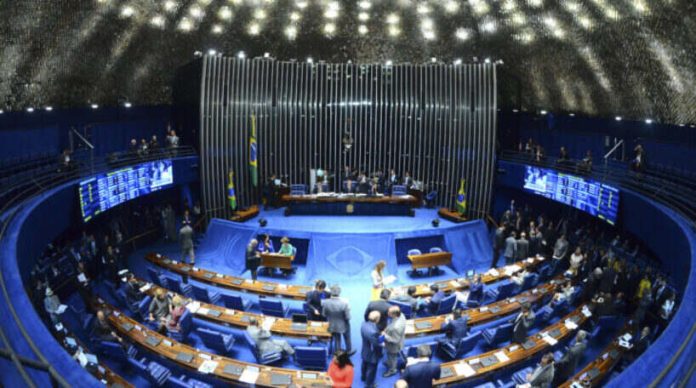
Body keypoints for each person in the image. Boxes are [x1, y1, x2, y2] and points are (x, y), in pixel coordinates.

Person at [322, 285, 354, 355]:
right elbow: (348, 317)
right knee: (347, 337)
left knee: (337, 340)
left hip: (332, 325)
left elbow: (324, 314)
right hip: (344, 325)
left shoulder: (325, 302)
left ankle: (338, 354)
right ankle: (349, 350)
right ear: (339, 292)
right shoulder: (345, 303)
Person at [360, 311, 383, 388]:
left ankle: (363, 377)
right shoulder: (374, 332)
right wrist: (382, 345)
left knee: (364, 364)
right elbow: (376, 345)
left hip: (365, 349)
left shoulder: (364, 324)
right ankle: (369, 384)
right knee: (372, 369)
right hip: (372, 353)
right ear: (377, 319)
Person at [383, 306, 406, 377]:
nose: (387, 313)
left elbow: (395, 340)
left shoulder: (396, 327)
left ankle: (393, 370)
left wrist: (385, 335)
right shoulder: (401, 315)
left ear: (394, 314)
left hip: (394, 346)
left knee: (392, 357)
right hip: (399, 338)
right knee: (390, 356)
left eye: (389, 313)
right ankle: (390, 363)